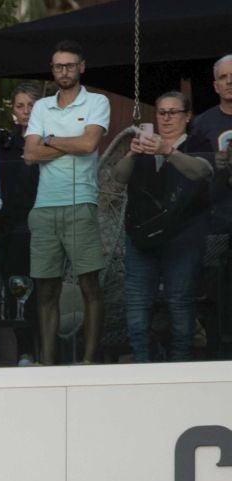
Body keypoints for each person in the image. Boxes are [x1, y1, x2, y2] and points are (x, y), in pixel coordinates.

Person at [24, 41, 111, 366]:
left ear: (81, 67)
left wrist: (48, 140)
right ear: (52, 69)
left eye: (70, 65)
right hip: (44, 205)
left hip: (80, 201)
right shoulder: (42, 106)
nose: (64, 71)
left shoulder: (97, 101)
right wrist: (68, 144)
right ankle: (47, 364)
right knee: (46, 289)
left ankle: (89, 361)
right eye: (58, 66)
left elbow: (89, 144)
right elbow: (30, 154)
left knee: (89, 283)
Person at [110, 92, 214, 364]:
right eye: (161, 112)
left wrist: (167, 150)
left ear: (187, 116)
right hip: (141, 237)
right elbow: (117, 178)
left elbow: (201, 172)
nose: (166, 118)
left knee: (180, 304)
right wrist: (132, 154)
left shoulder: (197, 142)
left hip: (182, 238)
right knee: (136, 307)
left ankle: (180, 366)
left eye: (173, 112)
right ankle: (142, 366)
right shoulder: (144, 146)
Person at [186, 55, 232, 361]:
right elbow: (190, 172)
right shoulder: (203, 123)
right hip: (217, 220)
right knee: (218, 295)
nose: (230, 82)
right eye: (224, 77)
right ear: (215, 85)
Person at [0, 84, 44, 362]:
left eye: (31, 105)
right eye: (20, 106)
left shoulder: (50, 141)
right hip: (10, 228)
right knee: (14, 291)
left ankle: (44, 351)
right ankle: (24, 351)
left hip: (40, 226)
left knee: (41, 293)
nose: (25, 111)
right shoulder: (4, 143)